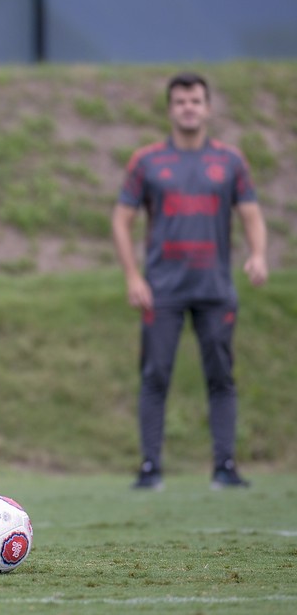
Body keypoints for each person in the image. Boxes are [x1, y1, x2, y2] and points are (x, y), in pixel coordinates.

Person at [112, 71, 268, 491]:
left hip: (216, 290)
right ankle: (149, 468)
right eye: (180, 101)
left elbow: (251, 214)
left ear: (208, 107)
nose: (188, 108)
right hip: (161, 289)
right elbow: (122, 219)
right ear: (169, 109)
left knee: (221, 377)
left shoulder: (231, 161)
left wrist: (257, 255)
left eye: (195, 101)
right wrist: (132, 275)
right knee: (155, 375)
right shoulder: (146, 162)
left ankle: (225, 466)